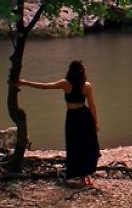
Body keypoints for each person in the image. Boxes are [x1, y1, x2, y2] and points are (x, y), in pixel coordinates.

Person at [17, 59, 101, 187]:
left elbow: (45, 86)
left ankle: (84, 179)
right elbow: (92, 106)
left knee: (75, 146)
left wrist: (24, 82)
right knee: (86, 145)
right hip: (85, 116)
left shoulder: (65, 84)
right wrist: (95, 122)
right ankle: (87, 177)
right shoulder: (87, 86)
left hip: (73, 117)